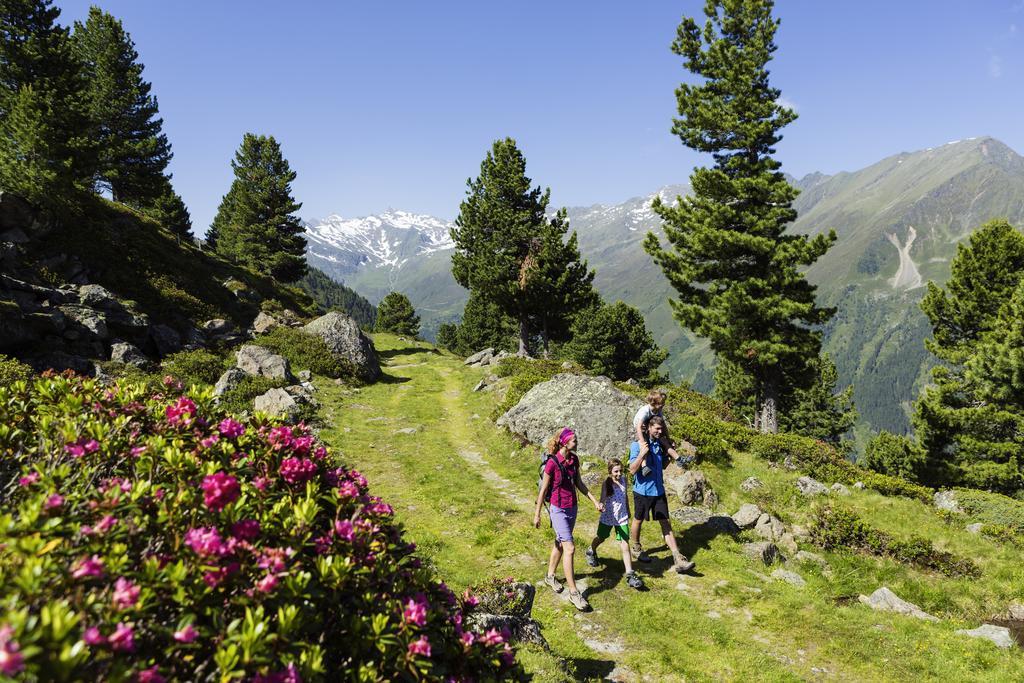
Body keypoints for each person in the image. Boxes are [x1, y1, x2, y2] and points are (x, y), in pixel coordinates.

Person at [533, 427, 604, 611]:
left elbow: (579, 483)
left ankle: (550, 576)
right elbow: (543, 490)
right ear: (565, 442)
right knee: (570, 548)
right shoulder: (552, 463)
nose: (577, 442)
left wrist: (595, 501)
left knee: (560, 542)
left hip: (572, 507)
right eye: (574, 440)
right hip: (557, 510)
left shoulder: (574, 460)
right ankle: (574, 593)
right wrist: (537, 513)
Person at [628, 416, 695, 573]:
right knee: (638, 520)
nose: (660, 431)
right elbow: (632, 470)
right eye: (657, 428)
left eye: (661, 429)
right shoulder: (637, 445)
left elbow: (663, 466)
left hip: (658, 490)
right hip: (642, 491)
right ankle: (636, 546)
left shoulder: (660, 445)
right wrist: (641, 454)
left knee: (665, 523)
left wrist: (668, 457)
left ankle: (678, 558)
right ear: (649, 428)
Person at [585, 458, 645, 589]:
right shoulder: (607, 483)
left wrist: (628, 510)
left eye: (621, 471)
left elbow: (625, 497)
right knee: (601, 537)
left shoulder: (624, 480)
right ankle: (591, 550)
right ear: (610, 471)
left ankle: (630, 574)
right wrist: (600, 504)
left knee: (624, 542)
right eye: (616, 471)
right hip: (608, 516)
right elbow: (603, 496)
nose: (619, 474)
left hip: (622, 517)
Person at [633, 390, 685, 472]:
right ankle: (644, 466)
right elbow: (638, 427)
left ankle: (678, 459)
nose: (663, 405)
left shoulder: (658, 410)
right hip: (642, 428)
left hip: (650, 425)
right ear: (654, 403)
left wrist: (668, 438)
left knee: (664, 441)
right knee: (644, 446)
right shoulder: (645, 411)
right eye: (661, 403)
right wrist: (642, 442)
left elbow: (663, 425)